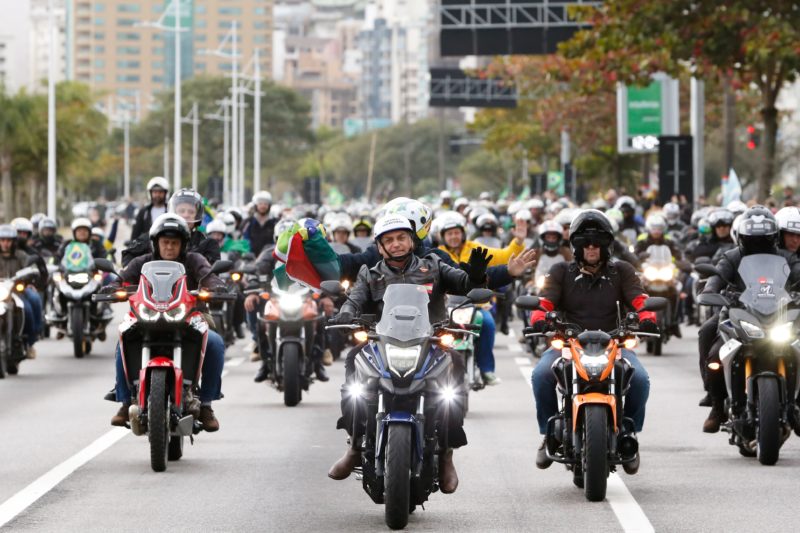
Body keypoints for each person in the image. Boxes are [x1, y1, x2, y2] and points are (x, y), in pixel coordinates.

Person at [327, 214, 491, 493]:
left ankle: (447, 455)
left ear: (412, 240)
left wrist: (475, 275)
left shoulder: (434, 266)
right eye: (389, 240)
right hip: (383, 343)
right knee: (355, 362)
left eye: (402, 237)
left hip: (432, 343)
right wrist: (344, 315)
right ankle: (355, 445)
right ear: (380, 246)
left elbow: (464, 284)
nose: (396, 244)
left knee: (455, 374)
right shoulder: (371, 273)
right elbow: (354, 300)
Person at [530, 209, 658, 474]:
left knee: (641, 380)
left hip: (615, 344)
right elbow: (544, 301)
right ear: (576, 245)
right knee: (541, 374)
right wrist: (539, 319)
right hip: (568, 344)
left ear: (606, 244)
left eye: (597, 241)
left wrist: (646, 317)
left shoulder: (622, 270)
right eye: (585, 241)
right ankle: (548, 434)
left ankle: (628, 435)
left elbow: (640, 298)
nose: (591, 246)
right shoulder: (560, 271)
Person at [108, 213, 226, 431]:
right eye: (165, 242)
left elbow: (208, 275)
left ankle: (207, 404)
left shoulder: (194, 260)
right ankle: (125, 402)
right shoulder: (142, 262)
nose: (170, 247)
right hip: (148, 314)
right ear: (156, 243)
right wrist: (113, 288)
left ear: (183, 245)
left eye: (174, 243)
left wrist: (216, 285)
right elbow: (122, 278)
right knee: (123, 339)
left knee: (215, 343)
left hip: (189, 314)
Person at [699, 206, 800, 432]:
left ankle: (796, 405)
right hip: (738, 314)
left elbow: (797, 273)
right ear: (743, 238)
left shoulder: (786, 257)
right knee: (710, 339)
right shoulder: (732, 257)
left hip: (777, 315)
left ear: (774, 237)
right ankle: (716, 404)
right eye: (753, 239)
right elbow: (717, 277)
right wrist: (710, 290)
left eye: (764, 239)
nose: (758, 243)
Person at [0, 224, 43, 359]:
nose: (5, 243)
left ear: (13, 242)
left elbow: (31, 270)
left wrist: (29, 281)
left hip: (17, 291)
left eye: (8, 240)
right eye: (2, 240)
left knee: (32, 303)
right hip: (1, 292)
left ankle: (31, 340)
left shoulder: (21, 255)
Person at [168, 189, 221, 264]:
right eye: (181, 211)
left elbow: (212, 272)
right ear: (173, 212)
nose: (186, 215)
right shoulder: (158, 238)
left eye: (191, 212)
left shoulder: (208, 243)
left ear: (197, 215)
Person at [130, 177, 169, 241]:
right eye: (155, 192)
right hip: (147, 249)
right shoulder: (143, 212)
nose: (157, 195)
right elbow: (135, 235)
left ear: (165, 193)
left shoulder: (171, 211)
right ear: (150, 193)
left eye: (160, 192)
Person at [242, 191, 278, 256]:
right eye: (260, 204)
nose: (263, 206)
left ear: (269, 206)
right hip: (251, 257)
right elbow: (245, 240)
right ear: (256, 205)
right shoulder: (248, 222)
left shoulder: (275, 222)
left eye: (265, 204)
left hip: (270, 257)